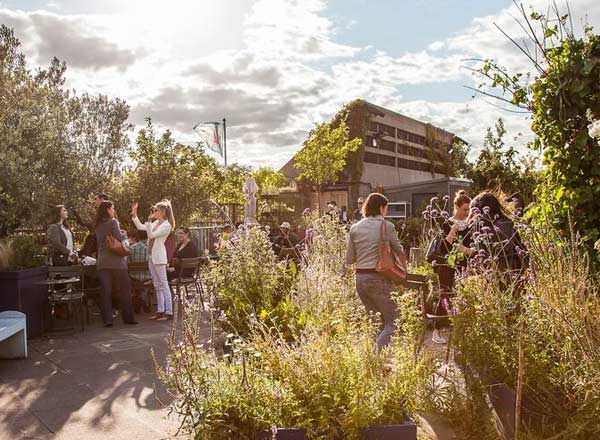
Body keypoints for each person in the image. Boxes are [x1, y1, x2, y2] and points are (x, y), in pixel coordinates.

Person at [346, 192, 406, 351]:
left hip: (360, 280)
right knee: (394, 320)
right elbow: (399, 251)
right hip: (378, 278)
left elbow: (350, 259)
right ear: (381, 207)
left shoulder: (354, 228)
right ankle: (376, 358)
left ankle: (370, 361)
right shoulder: (387, 226)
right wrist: (402, 272)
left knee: (375, 322)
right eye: (386, 208)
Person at [431, 190, 474, 344]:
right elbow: (443, 246)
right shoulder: (446, 223)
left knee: (462, 297)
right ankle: (436, 330)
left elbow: (473, 249)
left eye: (469, 209)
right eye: (464, 209)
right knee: (445, 295)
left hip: (463, 266)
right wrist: (454, 229)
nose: (467, 212)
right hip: (446, 265)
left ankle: (459, 331)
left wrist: (465, 249)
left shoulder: (470, 225)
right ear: (456, 207)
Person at [95, 200, 137, 327]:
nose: (114, 210)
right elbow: (119, 237)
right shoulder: (113, 222)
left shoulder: (97, 225)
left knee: (106, 292)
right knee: (125, 290)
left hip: (102, 261)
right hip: (117, 262)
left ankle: (107, 320)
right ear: (108, 209)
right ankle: (128, 318)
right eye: (112, 208)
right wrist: (124, 234)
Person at [131, 199, 175, 321]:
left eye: (156, 210)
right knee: (157, 285)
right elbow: (140, 227)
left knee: (164, 284)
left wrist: (150, 221)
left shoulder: (167, 225)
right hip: (151, 257)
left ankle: (169, 312)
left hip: (160, 258)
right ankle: (160, 311)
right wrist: (135, 214)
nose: (154, 212)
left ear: (162, 212)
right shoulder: (156, 223)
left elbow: (151, 235)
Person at [469, 192, 527, 273]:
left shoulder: (481, 227)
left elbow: (482, 255)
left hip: (494, 273)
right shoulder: (509, 222)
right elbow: (521, 248)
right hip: (515, 271)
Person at [127, 229, 152, 313]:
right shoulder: (151, 248)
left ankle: (139, 297)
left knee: (135, 280)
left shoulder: (131, 248)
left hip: (133, 277)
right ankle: (142, 298)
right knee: (153, 277)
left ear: (138, 237)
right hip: (148, 278)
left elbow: (127, 262)